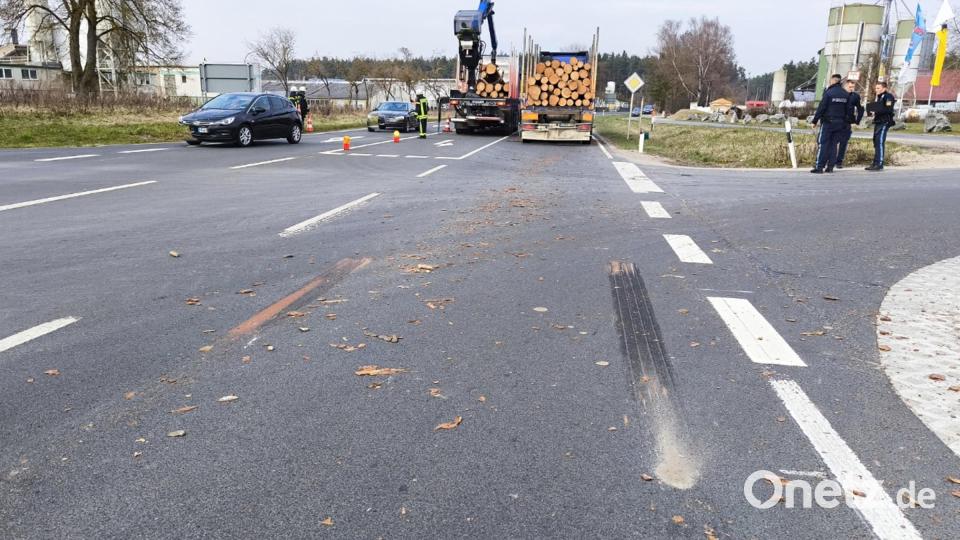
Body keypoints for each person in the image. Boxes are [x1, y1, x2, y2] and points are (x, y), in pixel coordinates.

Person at [810, 74, 852, 174]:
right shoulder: (845, 94)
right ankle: (830, 167)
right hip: (840, 123)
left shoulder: (829, 93)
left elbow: (821, 108)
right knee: (833, 145)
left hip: (828, 122)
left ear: (833, 81)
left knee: (823, 144)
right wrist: (846, 123)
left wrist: (815, 121)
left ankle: (819, 167)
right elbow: (849, 111)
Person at [866, 81, 896, 171]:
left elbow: (888, 109)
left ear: (884, 88)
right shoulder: (880, 97)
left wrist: (876, 111)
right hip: (878, 121)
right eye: (876, 88)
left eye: (878, 88)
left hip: (884, 121)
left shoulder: (888, 97)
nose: (876, 90)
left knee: (879, 142)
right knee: (876, 141)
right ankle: (875, 162)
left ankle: (879, 163)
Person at [835, 79, 864, 169]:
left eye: (853, 87)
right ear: (845, 86)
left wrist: (857, 121)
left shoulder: (855, 96)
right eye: (850, 87)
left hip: (847, 122)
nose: (851, 89)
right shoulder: (838, 94)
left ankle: (839, 161)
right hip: (837, 121)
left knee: (844, 142)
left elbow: (860, 109)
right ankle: (829, 159)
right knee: (833, 142)